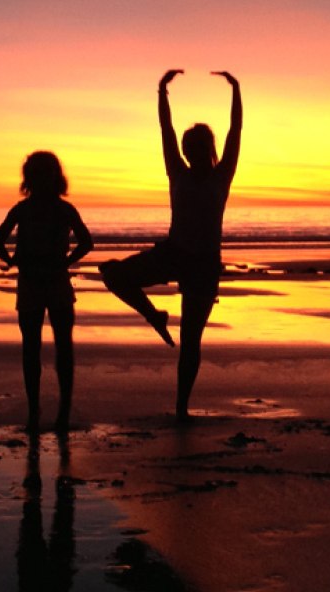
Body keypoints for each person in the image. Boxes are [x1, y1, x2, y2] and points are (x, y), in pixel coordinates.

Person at [100, 70, 242, 421]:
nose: (191, 151)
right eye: (187, 147)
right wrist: (161, 91)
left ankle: (181, 407)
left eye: (197, 147)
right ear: (184, 150)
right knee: (113, 275)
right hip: (174, 253)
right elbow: (165, 131)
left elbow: (235, 133)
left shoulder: (222, 174)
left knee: (191, 341)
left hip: (205, 264)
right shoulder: (176, 171)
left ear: (207, 149)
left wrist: (236, 91)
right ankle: (154, 315)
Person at [0, 152, 93, 433]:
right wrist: (65, 261)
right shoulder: (61, 209)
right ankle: (51, 410)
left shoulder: (26, 209)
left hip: (39, 281)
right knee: (53, 349)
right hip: (49, 280)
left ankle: (43, 410)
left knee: (37, 348)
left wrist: (13, 260)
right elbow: (86, 243)